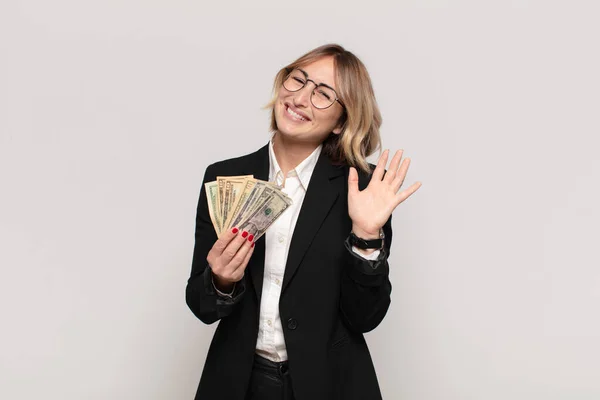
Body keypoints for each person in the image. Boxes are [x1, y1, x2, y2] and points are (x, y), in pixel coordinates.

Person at [186, 43, 422, 400]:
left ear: (342, 121)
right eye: (298, 80)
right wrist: (220, 280)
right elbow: (201, 306)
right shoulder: (225, 178)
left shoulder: (363, 189)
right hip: (239, 382)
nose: (300, 98)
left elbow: (365, 318)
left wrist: (367, 236)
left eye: (323, 94)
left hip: (329, 383)